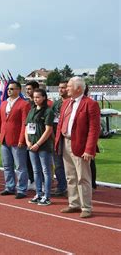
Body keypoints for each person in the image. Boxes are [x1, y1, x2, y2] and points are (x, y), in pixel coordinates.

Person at [55, 77, 100, 218]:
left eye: (69, 86)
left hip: (80, 145)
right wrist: (58, 142)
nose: (66, 88)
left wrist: (89, 149)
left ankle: (86, 207)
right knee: (70, 177)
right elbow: (60, 123)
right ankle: (73, 203)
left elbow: (94, 129)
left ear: (78, 88)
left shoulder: (90, 104)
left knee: (83, 178)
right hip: (65, 142)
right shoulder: (66, 103)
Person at [0, 80, 31, 199]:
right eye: (8, 89)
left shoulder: (24, 104)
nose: (9, 91)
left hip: (17, 140)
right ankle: (9, 187)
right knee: (7, 165)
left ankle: (21, 189)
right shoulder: (3, 103)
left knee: (20, 166)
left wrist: (22, 139)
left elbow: (25, 123)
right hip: (4, 138)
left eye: (12, 89)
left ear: (19, 90)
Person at [25, 89, 54, 206]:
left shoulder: (48, 112)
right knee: (36, 171)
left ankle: (47, 196)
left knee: (46, 171)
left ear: (44, 97)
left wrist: (38, 144)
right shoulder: (31, 111)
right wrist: (28, 142)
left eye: (38, 97)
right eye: (34, 97)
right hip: (31, 146)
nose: (36, 99)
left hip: (43, 147)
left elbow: (48, 130)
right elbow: (26, 127)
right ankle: (38, 193)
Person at [51, 80, 69, 197]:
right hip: (57, 138)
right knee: (58, 164)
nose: (60, 90)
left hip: (69, 138)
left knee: (70, 165)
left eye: (63, 87)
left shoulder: (72, 103)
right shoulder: (56, 104)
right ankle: (61, 186)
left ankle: (73, 188)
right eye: (59, 88)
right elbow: (52, 122)